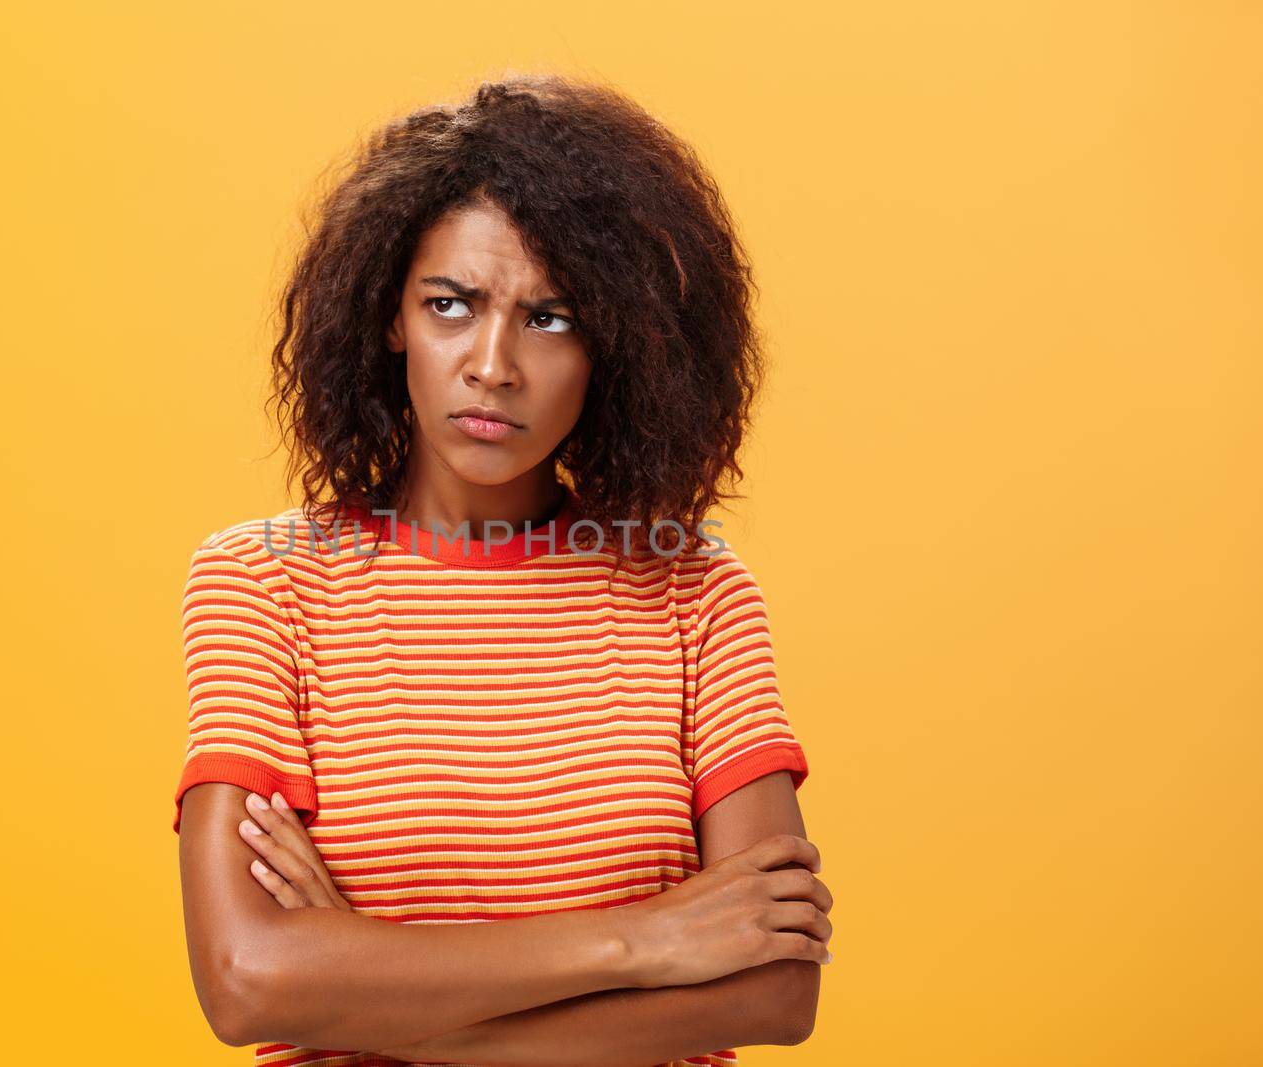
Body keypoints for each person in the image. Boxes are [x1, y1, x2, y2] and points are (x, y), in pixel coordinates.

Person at [173, 73, 833, 1067]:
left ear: (619, 343)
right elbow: (249, 979)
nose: (492, 363)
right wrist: (644, 939)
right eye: (451, 304)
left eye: (550, 318)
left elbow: (775, 987)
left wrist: (379, 993)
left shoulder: (693, 587)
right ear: (389, 314)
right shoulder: (267, 584)